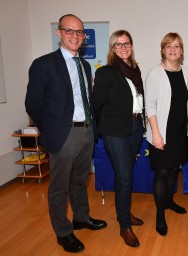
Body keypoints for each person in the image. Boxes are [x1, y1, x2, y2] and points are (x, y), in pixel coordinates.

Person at [25, 14, 107, 253]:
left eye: (79, 32)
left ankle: (81, 218)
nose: (75, 36)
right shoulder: (43, 64)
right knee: (59, 187)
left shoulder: (85, 64)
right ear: (59, 33)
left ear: (84, 37)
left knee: (80, 182)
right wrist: (52, 129)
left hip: (87, 131)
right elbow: (33, 104)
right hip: (64, 135)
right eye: (69, 31)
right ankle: (63, 232)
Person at [92, 30, 145, 248]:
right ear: (112, 48)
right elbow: (97, 104)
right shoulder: (106, 72)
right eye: (118, 44)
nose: (123, 47)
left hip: (134, 127)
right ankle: (125, 226)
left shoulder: (135, 70)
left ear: (131, 46)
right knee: (124, 177)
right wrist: (100, 131)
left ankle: (125, 212)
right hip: (115, 131)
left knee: (126, 175)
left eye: (127, 43)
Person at [145, 32, 188, 236]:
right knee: (162, 172)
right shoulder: (155, 72)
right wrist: (156, 133)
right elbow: (150, 105)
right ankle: (159, 215)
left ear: (181, 51)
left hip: (180, 132)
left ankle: (169, 202)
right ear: (163, 50)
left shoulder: (186, 72)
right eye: (168, 46)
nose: (173, 50)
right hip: (161, 132)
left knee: (175, 169)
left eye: (176, 46)